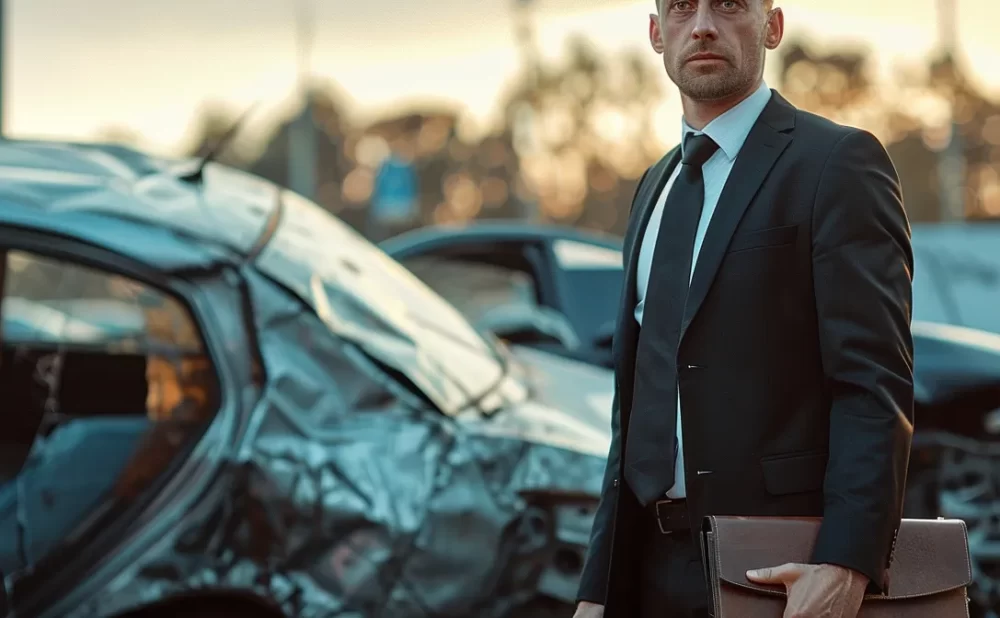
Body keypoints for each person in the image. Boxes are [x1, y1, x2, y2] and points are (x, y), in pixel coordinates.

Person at [573, 1, 914, 617]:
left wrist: (846, 563)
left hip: (781, 573)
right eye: (680, 8)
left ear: (772, 26)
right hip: (648, 572)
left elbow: (874, 384)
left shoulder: (837, 164)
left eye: (728, 4)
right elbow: (636, 408)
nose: (702, 24)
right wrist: (597, 589)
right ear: (656, 33)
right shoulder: (655, 186)